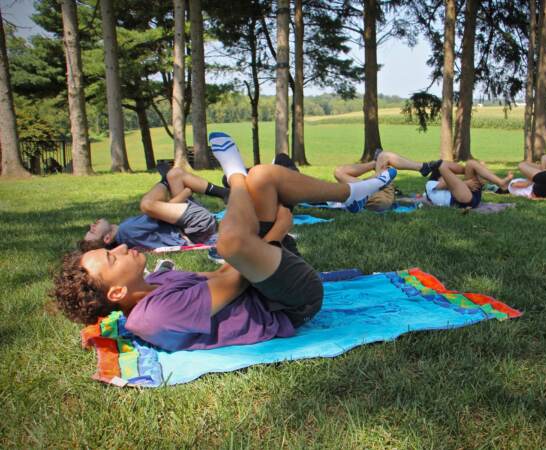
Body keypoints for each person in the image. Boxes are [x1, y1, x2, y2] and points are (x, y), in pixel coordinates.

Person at [51, 132, 396, 352]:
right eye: (112, 259)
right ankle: (235, 176)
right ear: (115, 294)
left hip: (265, 276)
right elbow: (234, 278)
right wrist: (275, 232)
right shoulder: (153, 315)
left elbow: (219, 276)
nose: (121, 248)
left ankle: (350, 194)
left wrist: (270, 233)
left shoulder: (153, 283)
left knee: (262, 176)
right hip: (291, 303)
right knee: (230, 243)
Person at [81, 166, 228, 251]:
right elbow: (162, 212)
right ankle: (164, 181)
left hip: (193, 226)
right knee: (147, 205)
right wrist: (185, 193)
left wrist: (184, 194)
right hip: (196, 227)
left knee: (175, 175)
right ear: (107, 238)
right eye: (93, 230)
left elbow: (165, 213)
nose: (92, 225)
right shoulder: (126, 230)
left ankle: (225, 193)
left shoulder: (127, 233)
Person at [333, 149, 438, 211]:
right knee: (384, 156)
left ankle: (375, 163)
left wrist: (375, 167)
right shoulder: (339, 194)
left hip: (374, 192)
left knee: (339, 171)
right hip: (379, 198)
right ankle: (423, 167)